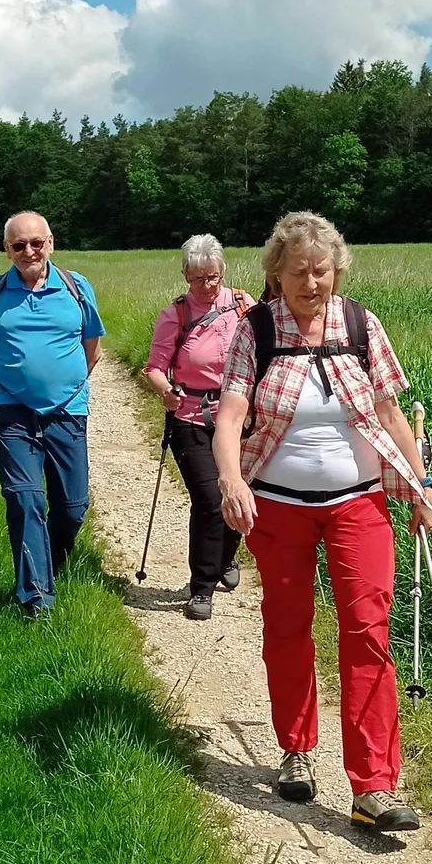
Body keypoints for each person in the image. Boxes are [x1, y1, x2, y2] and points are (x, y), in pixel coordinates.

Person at [213, 211, 432, 833]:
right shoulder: (254, 330)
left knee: (367, 629)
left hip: (359, 503)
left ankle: (375, 786)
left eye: (323, 271)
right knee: (287, 626)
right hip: (278, 507)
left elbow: (391, 412)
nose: (313, 284)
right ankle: (295, 749)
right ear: (275, 275)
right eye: (299, 273)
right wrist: (231, 480)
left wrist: (418, 483)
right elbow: (230, 416)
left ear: (337, 270)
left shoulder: (363, 324)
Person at [0, 212, 105, 618]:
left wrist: (67, 389)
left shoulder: (77, 287)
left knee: (73, 507)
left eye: (36, 243)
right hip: (14, 416)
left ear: (50, 243)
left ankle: (52, 563)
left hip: (68, 413)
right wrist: (10, 393)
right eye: (18, 245)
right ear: (6, 250)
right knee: (24, 500)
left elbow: (92, 347)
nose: (29, 251)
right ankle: (36, 598)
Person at [140, 234, 254, 621]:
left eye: (214, 277)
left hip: (238, 415)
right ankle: (201, 588)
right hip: (190, 416)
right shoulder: (175, 315)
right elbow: (154, 367)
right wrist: (165, 392)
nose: (207, 286)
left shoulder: (243, 305)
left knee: (241, 492)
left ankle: (224, 557)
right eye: (199, 279)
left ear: (223, 272)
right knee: (209, 500)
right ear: (185, 275)